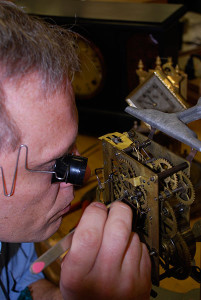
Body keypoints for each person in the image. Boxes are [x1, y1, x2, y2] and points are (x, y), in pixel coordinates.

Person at [0, 1, 151, 299]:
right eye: (55, 164)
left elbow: (24, 285)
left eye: (72, 147)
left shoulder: (12, 226)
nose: (78, 174)